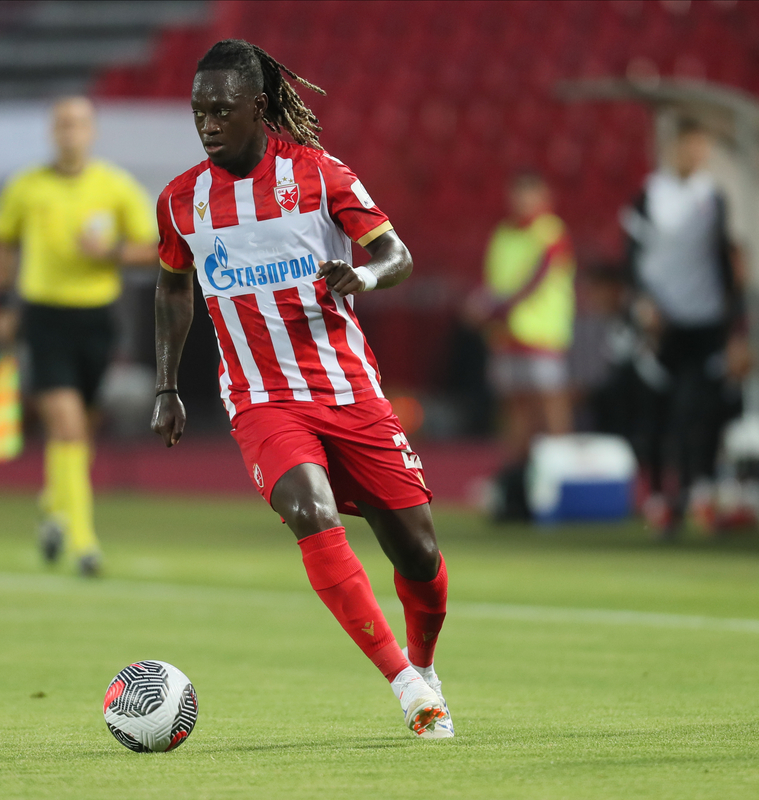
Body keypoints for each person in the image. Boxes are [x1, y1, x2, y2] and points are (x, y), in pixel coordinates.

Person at [150, 39, 453, 739]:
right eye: (199, 110)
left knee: (420, 554)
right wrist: (168, 383)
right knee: (310, 510)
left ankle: (425, 662)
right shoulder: (180, 201)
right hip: (261, 398)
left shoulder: (319, 175)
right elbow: (171, 288)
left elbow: (394, 254)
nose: (208, 123)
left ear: (258, 106)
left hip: (348, 389)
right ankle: (408, 688)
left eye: (223, 109)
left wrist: (368, 278)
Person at [0, 97, 158, 576]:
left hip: (97, 319)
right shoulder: (25, 187)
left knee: (81, 429)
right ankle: (85, 545)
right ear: (52, 131)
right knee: (64, 425)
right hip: (43, 317)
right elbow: (3, 245)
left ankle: (53, 506)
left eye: (79, 123)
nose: (71, 132)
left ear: (93, 131)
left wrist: (110, 254)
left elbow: (152, 249)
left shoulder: (115, 186)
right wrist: (3, 305)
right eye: (63, 123)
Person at [620, 116, 750, 536]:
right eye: (690, 145)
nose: (697, 154)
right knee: (657, 411)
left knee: (701, 411)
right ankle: (660, 499)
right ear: (672, 147)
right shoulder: (649, 195)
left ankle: (700, 494)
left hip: (705, 319)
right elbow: (632, 256)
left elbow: (725, 261)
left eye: (702, 146)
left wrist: (736, 327)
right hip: (662, 322)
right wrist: (643, 303)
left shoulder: (712, 195)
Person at [466, 171, 576, 519]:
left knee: (549, 408)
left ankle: (563, 482)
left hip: (542, 335)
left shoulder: (550, 231)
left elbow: (535, 281)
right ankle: (519, 486)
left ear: (544, 197)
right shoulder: (503, 234)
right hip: (507, 336)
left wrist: (492, 308)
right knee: (515, 412)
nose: (523, 202)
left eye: (530, 194)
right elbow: (495, 280)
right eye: (518, 194)